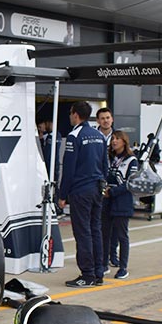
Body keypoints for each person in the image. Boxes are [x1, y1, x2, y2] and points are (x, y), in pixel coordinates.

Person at [59, 101, 107, 287]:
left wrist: (62, 195)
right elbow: (105, 165)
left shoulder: (74, 136)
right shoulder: (99, 135)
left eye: (71, 113)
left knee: (83, 232)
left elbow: (69, 170)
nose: (70, 117)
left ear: (76, 115)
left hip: (81, 191)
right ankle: (98, 272)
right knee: (96, 230)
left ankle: (87, 274)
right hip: (97, 189)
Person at [104, 131, 140, 280]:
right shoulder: (109, 158)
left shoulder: (131, 160)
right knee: (105, 234)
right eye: (113, 138)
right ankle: (103, 262)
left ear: (124, 142)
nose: (114, 141)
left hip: (122, 201)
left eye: (117, 139)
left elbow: (130, 182)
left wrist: (112, 192)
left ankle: (123, 267)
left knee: (121, 235)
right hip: (107, 201)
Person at [94, 108, 114, 277]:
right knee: (100, 223)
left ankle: (112, 255)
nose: (106, 121)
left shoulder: (118, 137)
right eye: (103, 118)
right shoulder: (93, 136)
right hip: (97, 184)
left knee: (114, 224)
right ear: (98, 121)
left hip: (113, 186)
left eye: (108, 118)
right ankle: (101, 256)